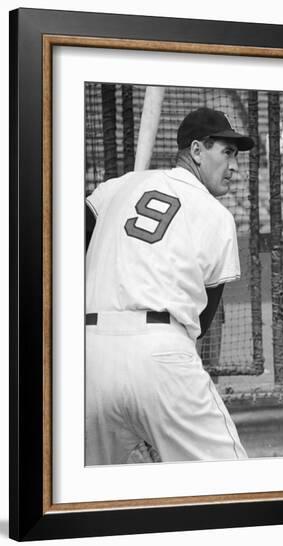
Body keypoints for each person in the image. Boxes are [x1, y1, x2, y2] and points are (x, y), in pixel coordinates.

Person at [85, 107, 253, 465]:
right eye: (227, 152)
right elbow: (202, 322)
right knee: (235, 488)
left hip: (88, 357)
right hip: (161, 354)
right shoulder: (216, 215)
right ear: (196, 150)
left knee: (96, 500)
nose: (235, 166)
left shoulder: (118, 187)